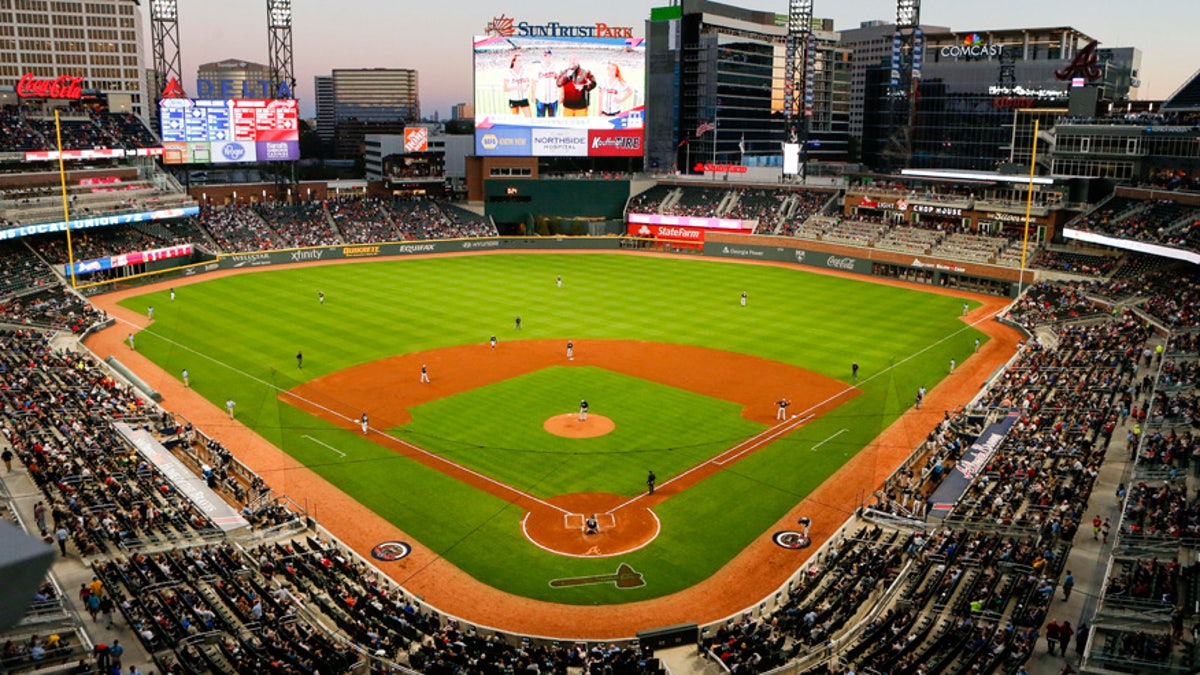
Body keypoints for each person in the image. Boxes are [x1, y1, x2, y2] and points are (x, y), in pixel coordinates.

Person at [504, 52, 532, 116]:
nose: (520, 62)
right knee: (515, 119)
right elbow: (505, 88)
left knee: (529, 117)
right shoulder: (508, 73)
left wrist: (526, 86)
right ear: (514, 61)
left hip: (523, 98)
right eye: (519, 60)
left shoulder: (524, 71)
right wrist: (517, 87)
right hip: (513, 98)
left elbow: (528, 82)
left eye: (521, 60)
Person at [534, 50, 561, 117]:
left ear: (551, 56)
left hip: (553, 98)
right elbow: (534, 82)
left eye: (548, 55)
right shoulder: (538, 67)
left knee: (552, 118)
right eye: (545, 55)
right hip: (541, 97)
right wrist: (533, 95)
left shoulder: (556, 67)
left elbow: (560, 83)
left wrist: (561, 95)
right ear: (543, 57)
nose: (547, 57)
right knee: (540, 119)